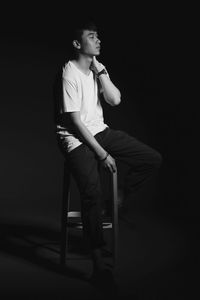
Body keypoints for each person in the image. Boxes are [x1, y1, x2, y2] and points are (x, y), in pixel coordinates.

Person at [55, 19, 162, 283]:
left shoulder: (96, 69)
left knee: (151, 158)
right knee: (92, 193)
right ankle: (99, 263)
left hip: (100, 131)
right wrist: (102, 154)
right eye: (92, 36)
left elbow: (114, 100)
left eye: (98, 36)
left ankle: (119, 197)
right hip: (76, 139)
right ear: (78, 44)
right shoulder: (68, 72)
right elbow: (76, 123)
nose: (99, 40)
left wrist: (102, 73)